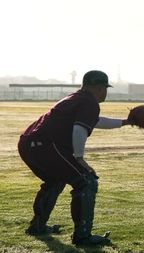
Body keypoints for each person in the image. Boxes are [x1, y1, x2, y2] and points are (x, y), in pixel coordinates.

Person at [18, 70, 132, 245]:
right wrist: (79, 158)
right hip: (45, 146)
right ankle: (82, 236)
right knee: (86, 180)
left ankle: (38, 225)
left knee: (56, 179)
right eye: (105, 88)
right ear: (100, 88)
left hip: (30, 144)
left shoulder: (77, 97)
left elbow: (94, 121)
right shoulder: (89, 101)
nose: (105, 92)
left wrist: (125, 122)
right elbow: (80, 129)